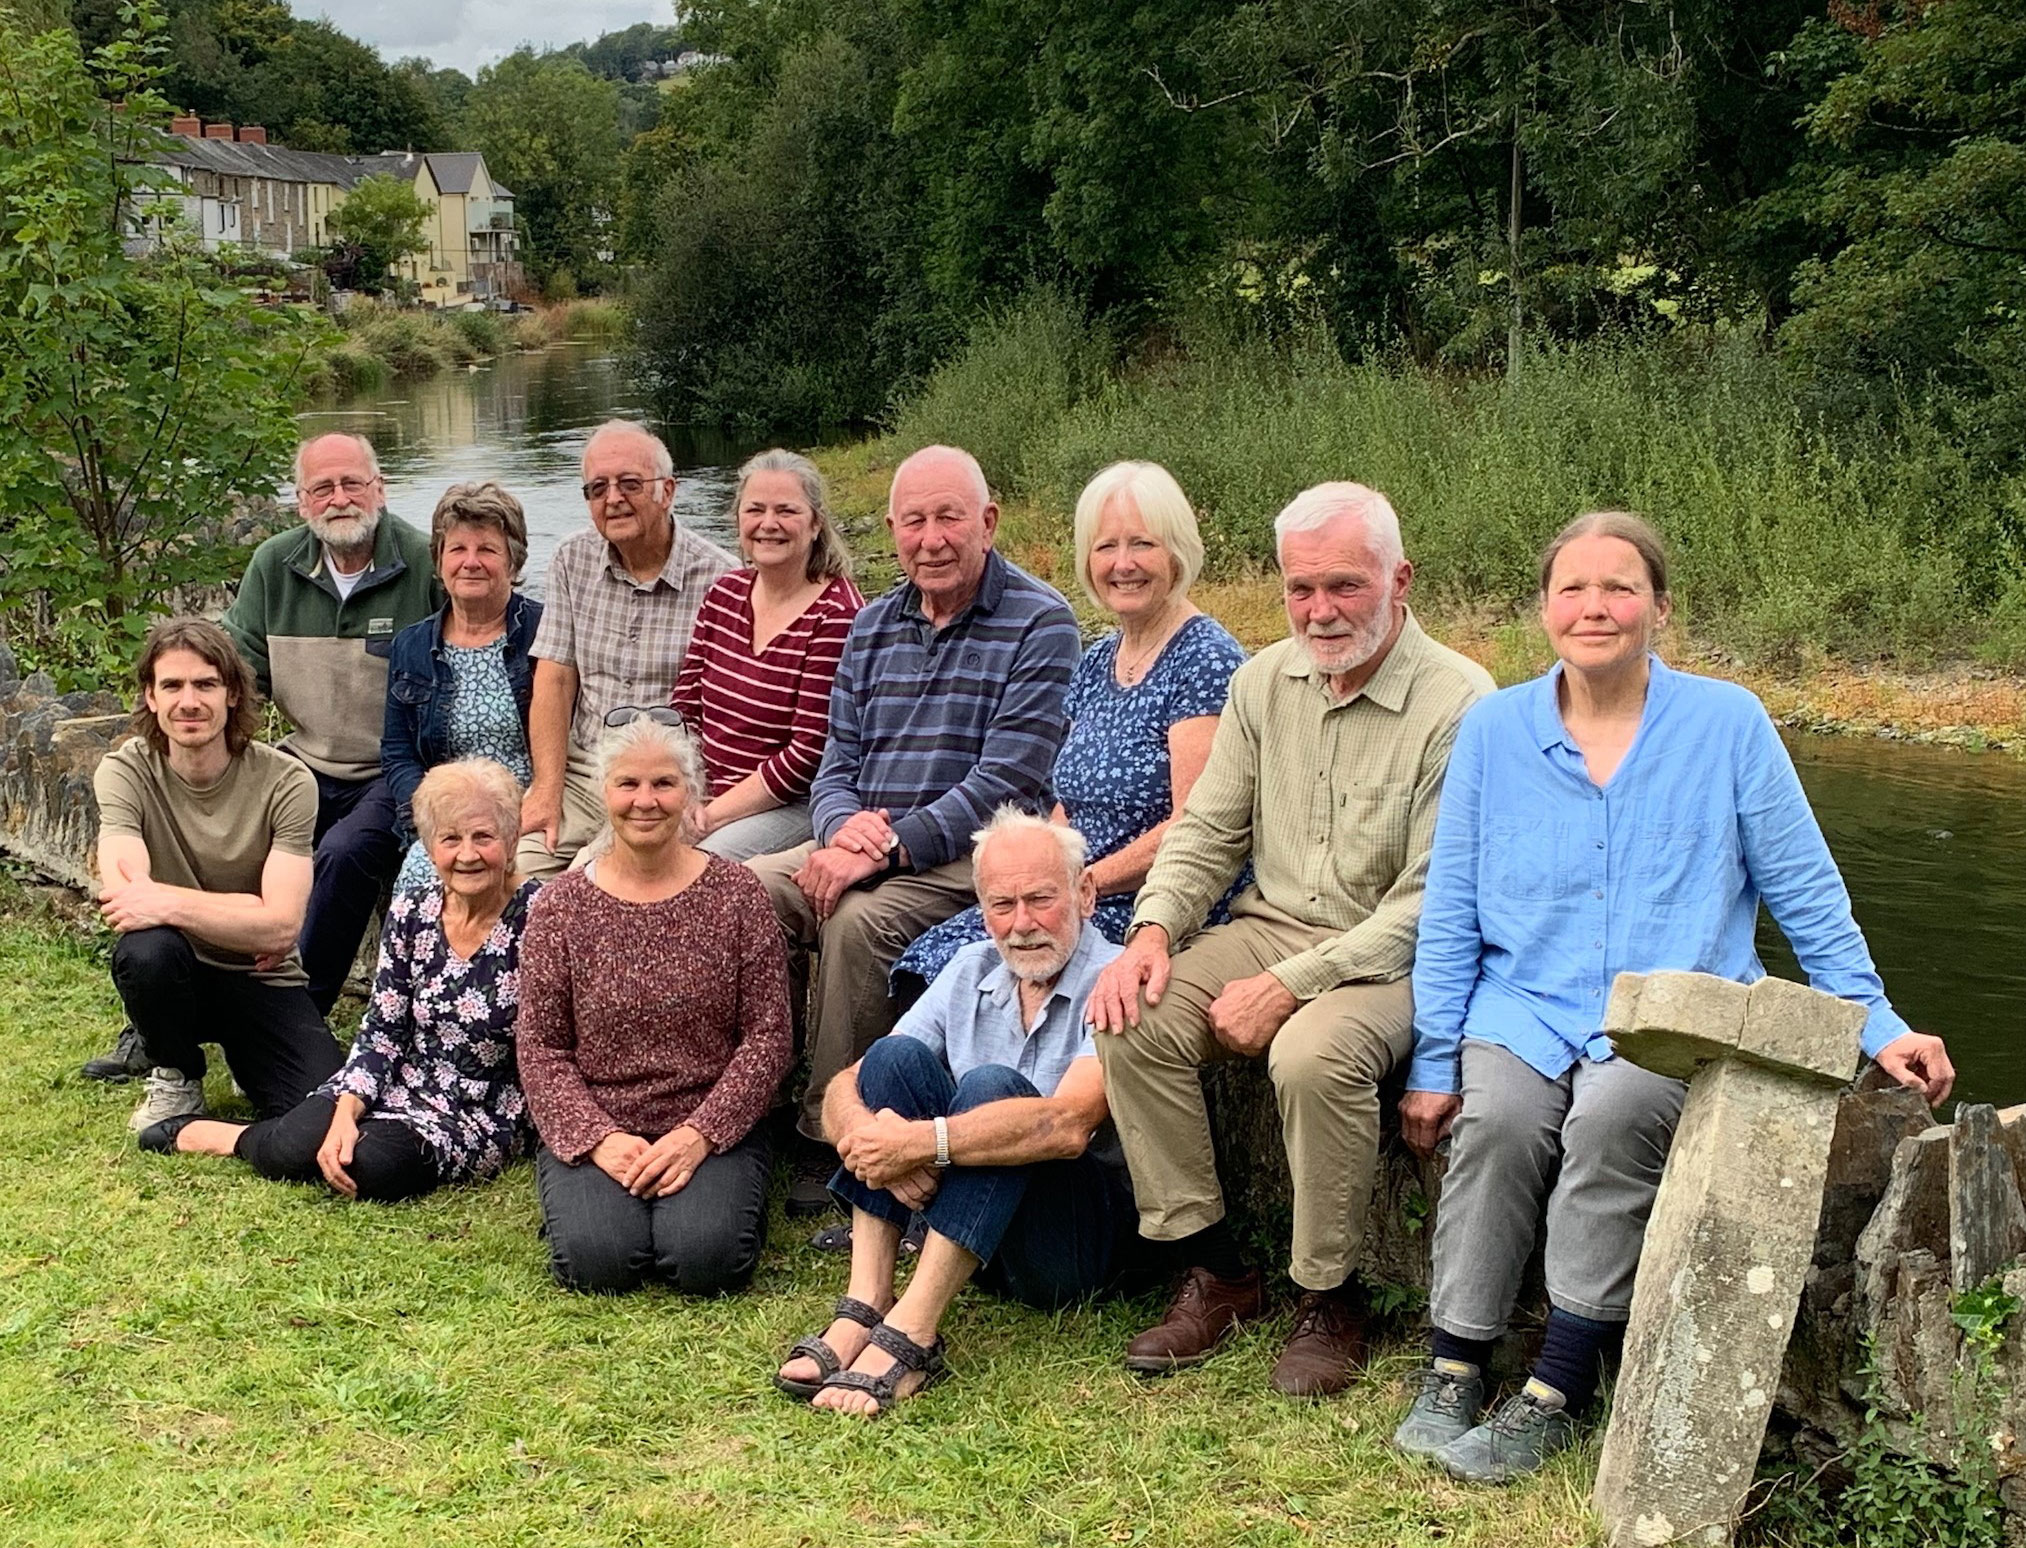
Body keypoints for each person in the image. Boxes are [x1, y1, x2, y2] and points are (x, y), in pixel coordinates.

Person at [1390, 510, 1957, 1482]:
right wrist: (1436, 1059)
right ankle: (1456, 1361)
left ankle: (1557, 1389)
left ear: (1659, 605)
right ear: (1543, 608)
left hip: (1668, 1020)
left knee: (1610, 1121)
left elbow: (1806, 892)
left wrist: (1879, 1026)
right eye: (1573, 587)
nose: (1594, 606)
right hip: (1520, 1004)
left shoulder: (1726, 724)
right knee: (1498, 1125)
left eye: (1619, 587)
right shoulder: (1491, 732)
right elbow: (1449, 913)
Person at [1084, 481, 1494, 1398]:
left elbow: (1433, 902)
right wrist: (1152, 930)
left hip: (1394, 957)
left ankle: (1330, 1297)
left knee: (1312, 1055)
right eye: (1300, 588)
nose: (1319, 610)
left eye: (1344, 586)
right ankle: (1216, 1268)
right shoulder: (1262, 682)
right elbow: (1207, 831)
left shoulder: (1462, 702)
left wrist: (1297, 983)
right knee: (1129, 1016)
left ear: (1401, 579)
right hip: (1269, 926)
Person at [748, 444, 1081, 1215]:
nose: (931, 539)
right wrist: (839, 833)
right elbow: (836, 764)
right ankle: (748, 1102)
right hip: (864, 840)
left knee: (861, 923)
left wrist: (887, 849)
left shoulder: (1041, 623)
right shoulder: (871, 626)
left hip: (976, 855)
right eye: (914, 522)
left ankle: (829, 1137)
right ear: (892, 531)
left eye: (949, 519)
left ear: (988, 523)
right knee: (745, 890)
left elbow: (1007, 781)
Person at [774, 809, 1138, 1417]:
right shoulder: (970, 967)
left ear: (1085, 893)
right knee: (894, 1059)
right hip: (974, 1225)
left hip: (1070, 1244)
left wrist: (922, 1144)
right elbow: (848, 1084)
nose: (1021, 925)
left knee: (996, 1091)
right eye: (1001, 905)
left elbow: (1067, 1125)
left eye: (1041, 899)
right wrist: (868, 1135)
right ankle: (866, 1301)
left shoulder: (1116, 977)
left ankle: (914, 1330)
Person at [891, 461, 1246, 993]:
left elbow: (1192, 826)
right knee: (937, 964)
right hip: (1077, 890)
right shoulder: (1099, 657)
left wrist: (1080, 884)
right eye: (1106, 548)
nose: (1123, 564)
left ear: (1177, 552)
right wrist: (1040, 875)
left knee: (983, 976)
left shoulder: (1205, 659)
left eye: (1142, 545)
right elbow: (1066, 805)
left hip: (1153, 901)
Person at [132, 759, 539, 1202]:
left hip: (484, 1108)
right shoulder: (414, 910)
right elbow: (383, 1031)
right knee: (304, 1141)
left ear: (512, 839)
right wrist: (347, 1111)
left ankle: (243, 1138)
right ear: (428, 846)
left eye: (484, 837)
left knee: (364, 1165)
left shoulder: (543, 916)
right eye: (450, 839)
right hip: (398, 1077)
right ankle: (227, 1136)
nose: (467, 855)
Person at [517, 714, 793, 1294]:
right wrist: (598, 1139)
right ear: (602, 793)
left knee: (705, 1262)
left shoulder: (739, 894)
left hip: (711, 1119)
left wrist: (700, 1134)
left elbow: (768, 1037)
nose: (646, 801)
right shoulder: (559, 906)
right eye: (629, 784)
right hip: (601, 1116)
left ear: (692, 793)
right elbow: (541, 1046)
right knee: (600, 1265)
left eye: (664, 784)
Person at [93, 618, 344, 1133]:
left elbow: (280, 929)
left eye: (206, 684)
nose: (189, 701)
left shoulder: (287, 780)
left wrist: (164, 903)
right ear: (151, 696)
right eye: (173, 685)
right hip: (177, 969)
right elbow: (124, 896)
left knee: (314, 1113)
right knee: (146, 952)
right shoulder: (125, 772)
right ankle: (176, 1070)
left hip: (261, 972)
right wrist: (246, 912)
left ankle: (242, 1051)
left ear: (231, 694)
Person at [515, 420, 736, 880]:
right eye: (598, 488)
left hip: (664, 784)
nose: (612, 498)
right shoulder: (571, 560)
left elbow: (725, 717)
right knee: (515, 872)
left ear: (668, 491)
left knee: (587, 879)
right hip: (584, 772)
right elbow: (554, 680)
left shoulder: (722, 579)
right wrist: (545, 790)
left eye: (629, 484)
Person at [671, 449, 864, 862]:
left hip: (791, 804)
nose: (768, 524)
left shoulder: (837, 614)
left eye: (786, 511)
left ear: (815, 524)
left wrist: (709, 815)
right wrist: (679, 790)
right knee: (597, 864)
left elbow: (808, 754)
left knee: (696, 871)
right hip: (704, 789)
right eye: (754, 509)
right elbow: (684, 707)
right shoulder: (725, 593)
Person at [382, 482, 543, 893]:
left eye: (487, 550)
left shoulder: (545, 633)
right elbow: (397, 752)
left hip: (527, 816)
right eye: (457, 550)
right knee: (419, 882)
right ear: (438, 561)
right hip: (447, 820)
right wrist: (430, 820)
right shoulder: (412, 645)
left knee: (531, 892)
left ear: (513, 561)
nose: (471, 562)